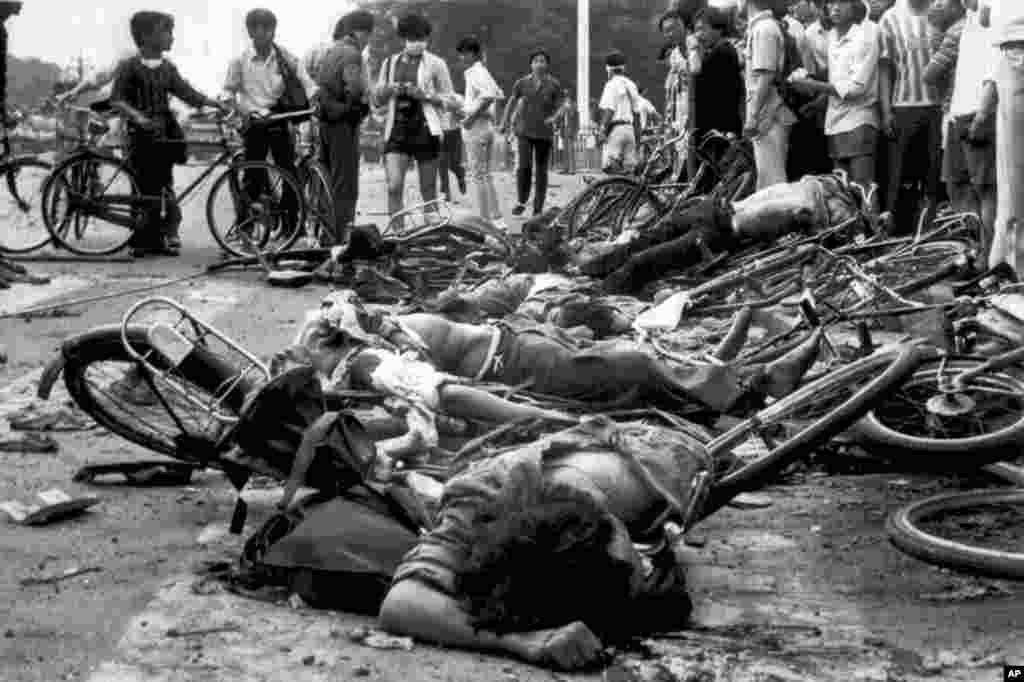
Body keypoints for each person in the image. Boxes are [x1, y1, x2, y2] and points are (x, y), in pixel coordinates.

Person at [378, 416, 711, 670]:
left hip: (655, 436)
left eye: (635, 564)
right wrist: (523, 641)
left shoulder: (634, 492)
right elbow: (400, 603)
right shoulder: (475, 505)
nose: (642, 565)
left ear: (607, 520)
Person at [110, 11, 225, 257]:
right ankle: (141, 238)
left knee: (163, 183)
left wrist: (213, 103)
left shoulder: (168, 68)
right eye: (167, 32)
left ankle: (159, 236)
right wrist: (139, 117)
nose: (171, 37)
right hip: (139, 135)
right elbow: (117, 100)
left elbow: (187, 93)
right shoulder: (129, 66)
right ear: (146, 36)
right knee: (141, 186)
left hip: (163, 134)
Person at [223, 9, 315, 245]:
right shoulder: (240, 61)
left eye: (267, 28)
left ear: (274, 30)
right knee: (252, 176)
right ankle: (246, 229)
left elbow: (307, 83)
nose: (262, 33)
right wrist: (239, 113)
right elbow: (228, 94)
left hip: (279, 119)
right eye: (257, 28)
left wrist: (316, 101)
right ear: (250, 31)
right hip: (253, 122)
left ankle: (292, 228)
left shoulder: (285, 57)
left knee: (290, 174)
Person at [374, 13, 454, 225]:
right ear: (403, 38)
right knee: (393, 186)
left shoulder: (436, 63)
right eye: (412, 38)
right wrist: (389, 89)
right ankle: (398, 233)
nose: (417, 42)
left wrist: (424, 95)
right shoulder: (389, 63)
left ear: (427, 39)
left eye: (421, 38)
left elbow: (451, 101)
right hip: (397, 129)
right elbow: (377, 99)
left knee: (428, 189)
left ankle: (432, 233)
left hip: (426, 130)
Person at [792, 0, 881, 189]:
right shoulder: (832, 37)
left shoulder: (865, 37)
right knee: (842, 192)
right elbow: (836, 81)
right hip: (834, 122)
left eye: (843, 2)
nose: (836, 7)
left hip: (860, 119)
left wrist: (812, 85)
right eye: (831, 2)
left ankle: (872, 219)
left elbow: (855, 89)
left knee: (863, 189)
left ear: (855, 6)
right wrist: (818, 102)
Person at [937, 1, 998, 257]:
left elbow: (994, 70)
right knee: (957, 187)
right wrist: (950, 112)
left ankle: (987, 256)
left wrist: (983, 114)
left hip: (979, 113)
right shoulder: (969, 19)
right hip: (958, 114)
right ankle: (972, 255)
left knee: (985, 190)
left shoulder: (993, 14)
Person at [878, 0, 942, 233]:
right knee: (899, 174)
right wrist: (886, 112)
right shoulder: (890, 18)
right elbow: (884, 68)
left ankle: (931, 229)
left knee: (934, 173)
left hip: (938, 106)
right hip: (903, 106)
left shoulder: (941, 10)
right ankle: (898, 231)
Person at [315, 10, 375, 244]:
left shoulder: (331, 51)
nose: (368, 41)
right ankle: (341, 239)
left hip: (326, 123)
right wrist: (360, 108)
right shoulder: (352, 54)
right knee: (346, 185)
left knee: (327, 182)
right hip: (343, 125)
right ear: (362, 32)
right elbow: (354, 89)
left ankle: (327, 235)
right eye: (368, 35)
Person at [500, 49, 564, 217]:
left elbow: (561, 106)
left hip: (544, 134)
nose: (539, 64)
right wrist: (504, 122)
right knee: (524, 167)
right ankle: (522, 200)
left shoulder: (554, 84)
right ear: (531, 64)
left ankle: (538, 208)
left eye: (542, 61)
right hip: (524, 132)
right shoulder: (521, 83)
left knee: (542, 172)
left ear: (547, 65)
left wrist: (555, 118)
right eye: (536, 61)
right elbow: (511, 101)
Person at [743, 0, 798, 189]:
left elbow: (766, 76)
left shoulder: (764, 29)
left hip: (769, 114)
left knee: (773, 183)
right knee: (767, 180)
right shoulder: (763, 27)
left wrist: (753, 116)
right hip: (768, 113)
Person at [987, 0, 1024, 274]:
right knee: (1013, 173)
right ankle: (1011, 266)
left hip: (1015, 45)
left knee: (1014, 172)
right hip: (1012, 47)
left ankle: (1013, 266)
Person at [456, 36, 505, 228]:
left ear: (471, 54)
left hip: (476, 128)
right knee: (486, 175)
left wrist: (470, 117)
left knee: (479, 176)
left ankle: (485, 220)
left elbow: (489, 96)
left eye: (462, 54)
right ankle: (496, 217)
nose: (461, 58)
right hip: (487, 127)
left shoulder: (473, 72)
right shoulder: (484, 71)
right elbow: (498, 93)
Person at [692, 6, 744, 140]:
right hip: (719, 126)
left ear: (718, 28)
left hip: (720, 128)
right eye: (696, 30)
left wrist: (693, 50)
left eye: (702, 29)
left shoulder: (722, 51)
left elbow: (695, 73)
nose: (698, 35)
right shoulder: (718, 49)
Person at [595, 52, 642, 175]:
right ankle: (627, 193)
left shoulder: (611, 85)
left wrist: (602, 130)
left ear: (608, 69)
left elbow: (609, 109)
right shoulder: (632, 85)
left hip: (616, 131)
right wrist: (638, 138)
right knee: (629, 171)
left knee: (611, 167)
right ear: (624, 68)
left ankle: (615, 192)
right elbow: (637, 114)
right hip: (630, 130)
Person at [437, 87, 467, 204]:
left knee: (454, 163)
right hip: (439, 133)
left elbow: (464, 115)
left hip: (454, 133)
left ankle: (460, 176)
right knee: (442, 163)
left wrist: (454, 108)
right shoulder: (433, 97)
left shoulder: (457, 98)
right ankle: (446, 192)